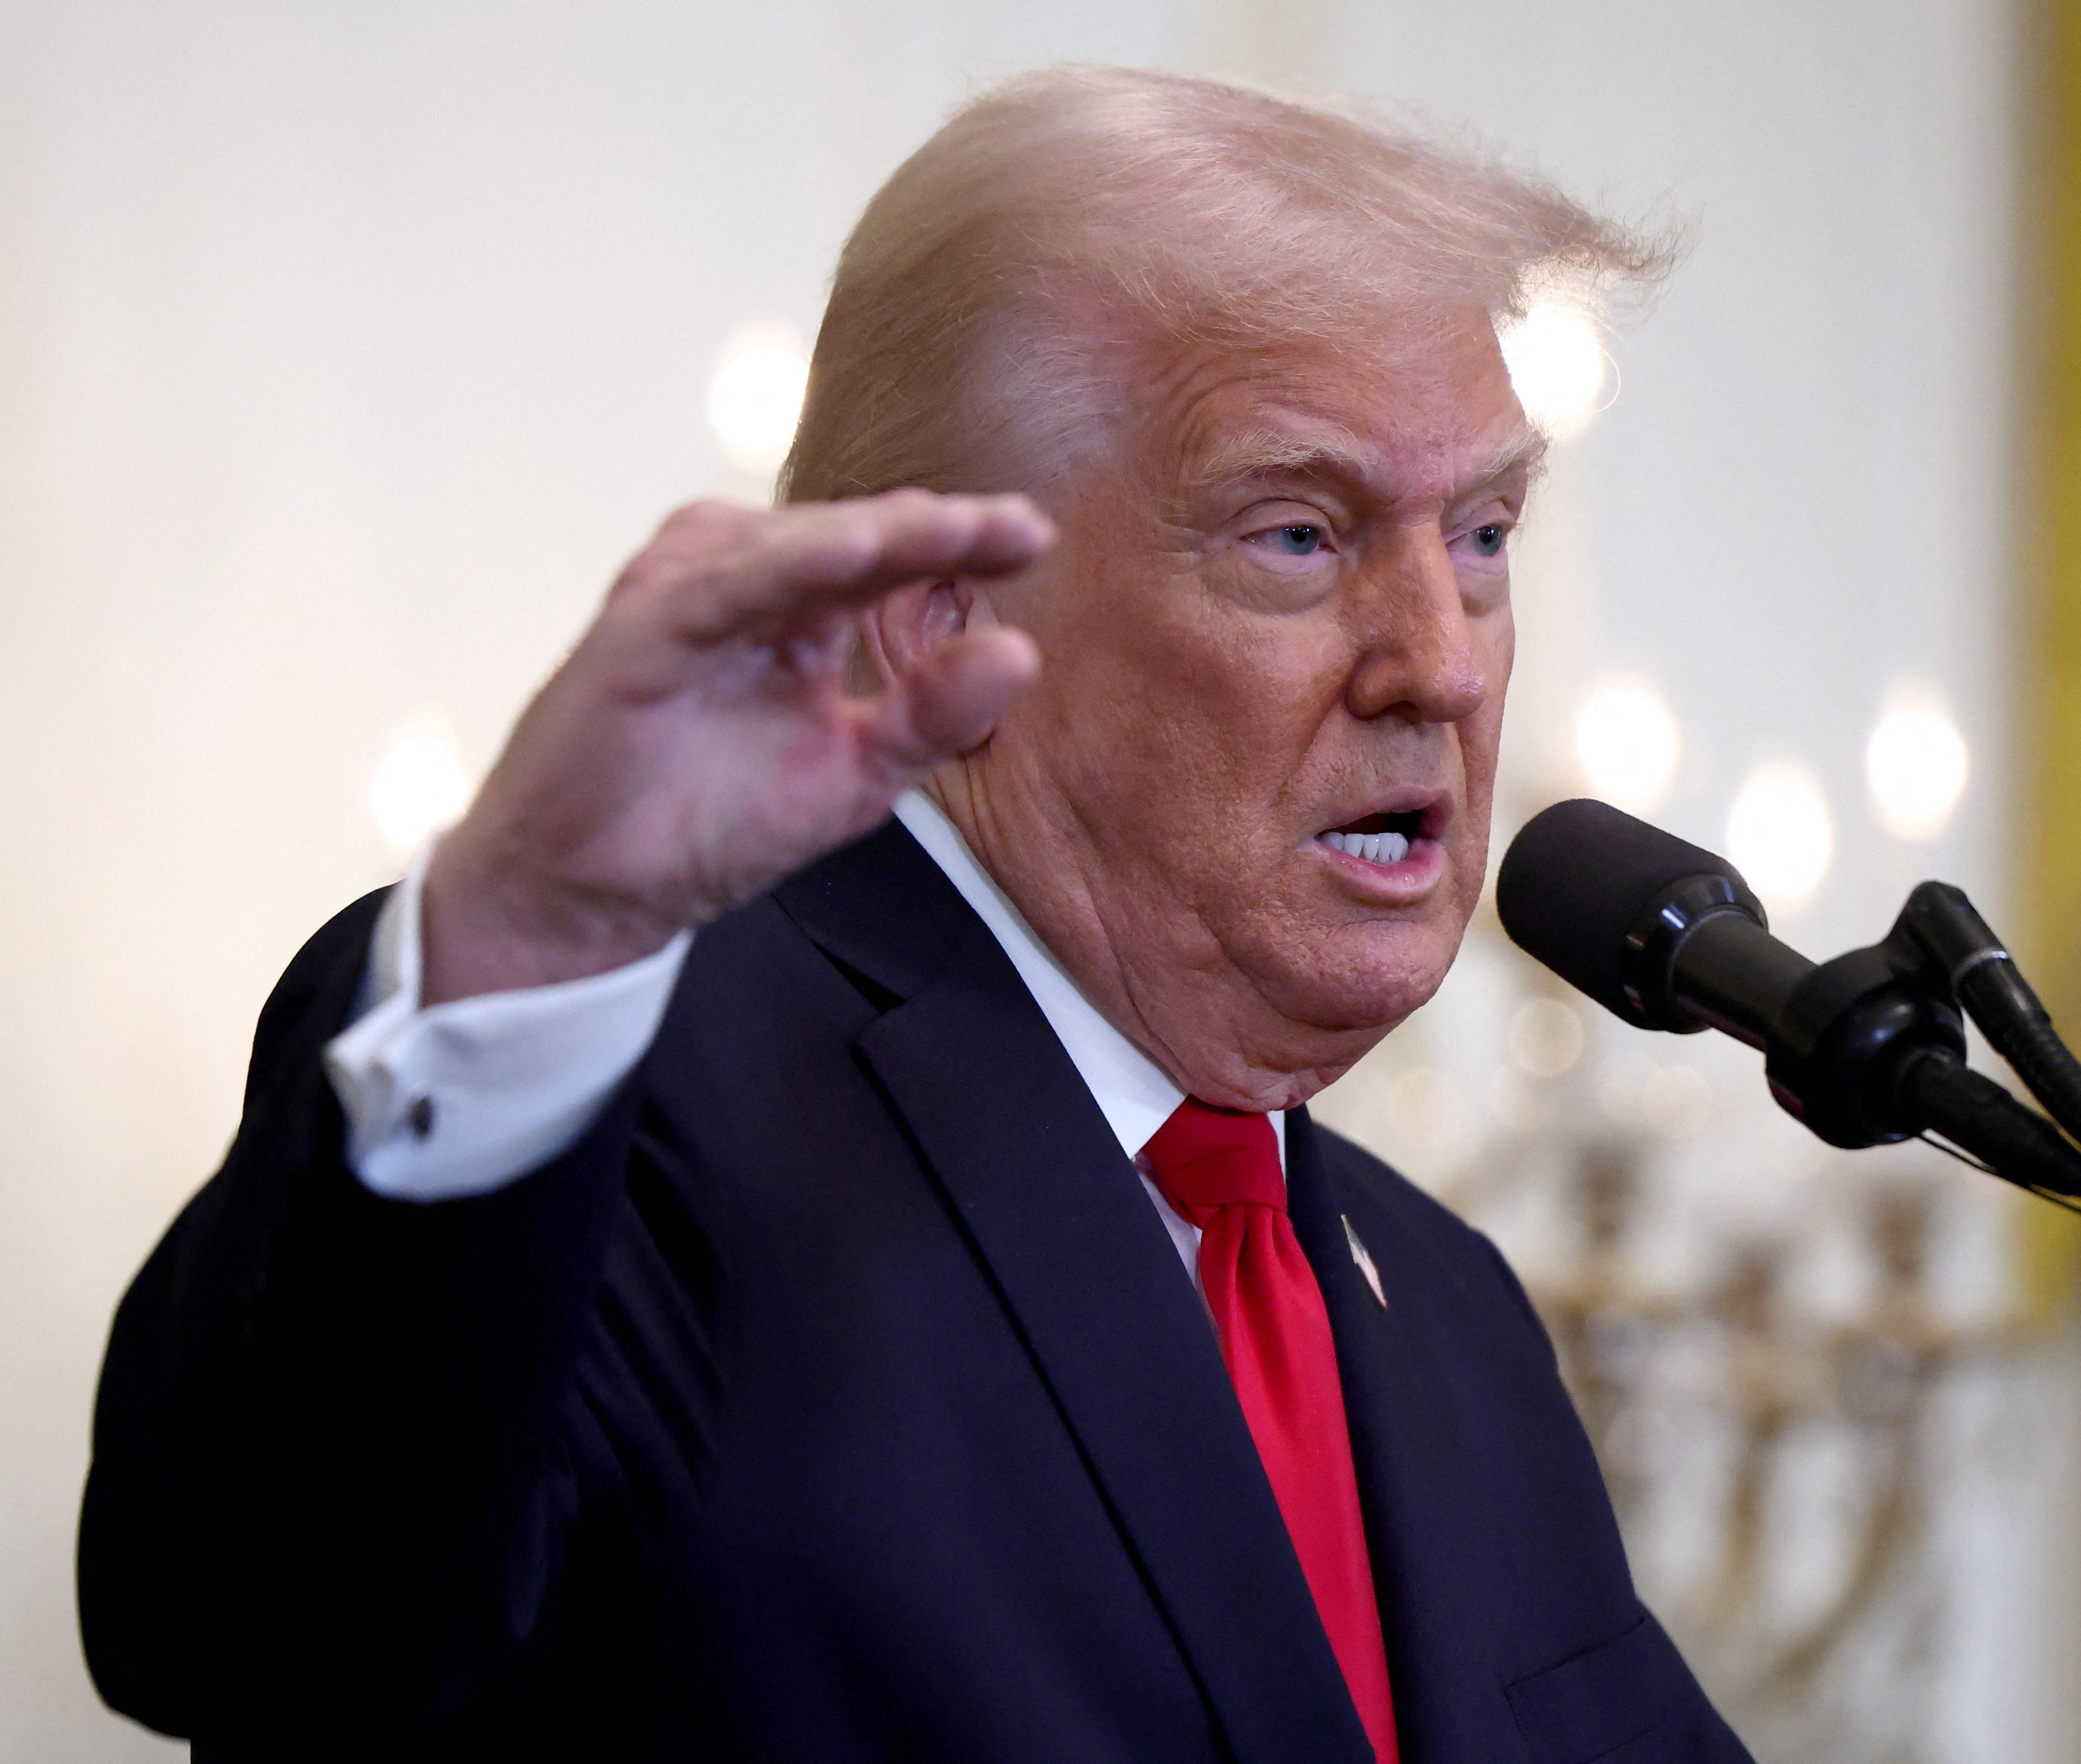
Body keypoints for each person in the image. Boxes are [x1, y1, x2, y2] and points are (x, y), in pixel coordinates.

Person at [79, 65, 1748, 1763]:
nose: (1446, 663)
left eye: (1481, 531)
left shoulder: (1447, 1308)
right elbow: (261, 1631)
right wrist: (523, 952)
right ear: (942, 621)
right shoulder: (619, 1102)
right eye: (1302, 535)